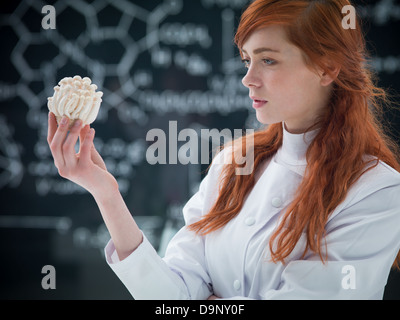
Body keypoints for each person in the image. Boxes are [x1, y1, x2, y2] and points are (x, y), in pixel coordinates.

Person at [47, 0, 400, 299]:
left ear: (327, 68)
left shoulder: (377, 191)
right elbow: (171, 296)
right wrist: (105, 193)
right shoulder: (233, 163)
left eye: (268, 60)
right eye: (247, 60)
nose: (248, 78)